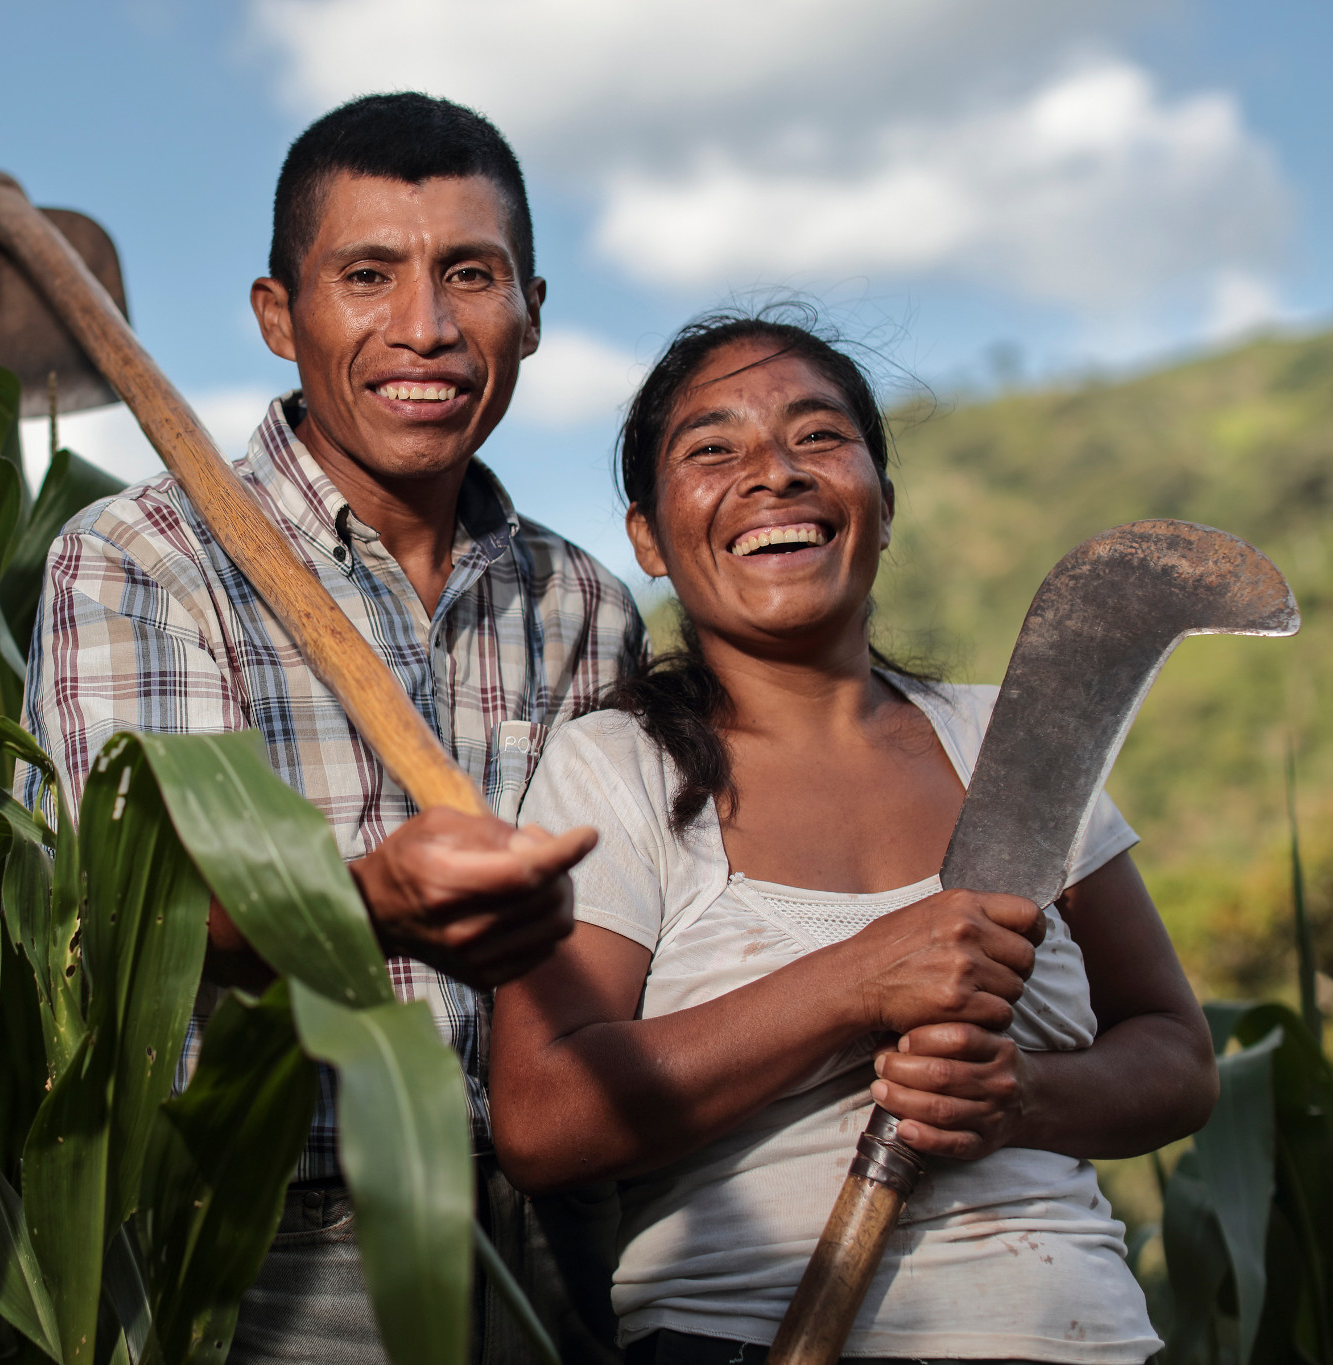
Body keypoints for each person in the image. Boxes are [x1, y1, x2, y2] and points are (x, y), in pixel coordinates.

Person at [20, 93, 641, 1362]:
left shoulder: (586, 606)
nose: (424, 328)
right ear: (275, 314)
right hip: (285, 1244)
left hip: (576, 1231)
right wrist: (357, 908)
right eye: (367, 275)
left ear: (529, 310)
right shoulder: (141, 563)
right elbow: (123, 924)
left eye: (469, 275)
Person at [489, 311, 1218, 1365]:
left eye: (818, 437)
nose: (773, 474)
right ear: (646, 535)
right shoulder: (613, 768)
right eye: (711, 449)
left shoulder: (1012, 739)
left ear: (881, 499)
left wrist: (1019, 1100)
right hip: (739, 1337)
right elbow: (544, 1120)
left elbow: (1176, 1058)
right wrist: (855, 983)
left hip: (1085, 1337)